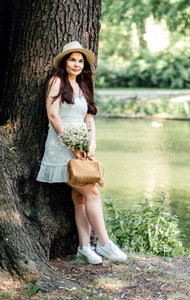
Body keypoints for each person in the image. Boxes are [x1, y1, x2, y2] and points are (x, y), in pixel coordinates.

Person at [37, 41, 127, 264]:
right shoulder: (57, 82)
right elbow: (53, 116)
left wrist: (90, 144)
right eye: (72, 59)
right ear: (65, 62)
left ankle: (84, 247)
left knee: (80, 198)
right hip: (61, 147)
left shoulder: (84, 85)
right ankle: (105, 244)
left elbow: (89, 120)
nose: (76, 64)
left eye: (80, 61)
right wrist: (72, 144)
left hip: (82, 149)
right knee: (93, 192)